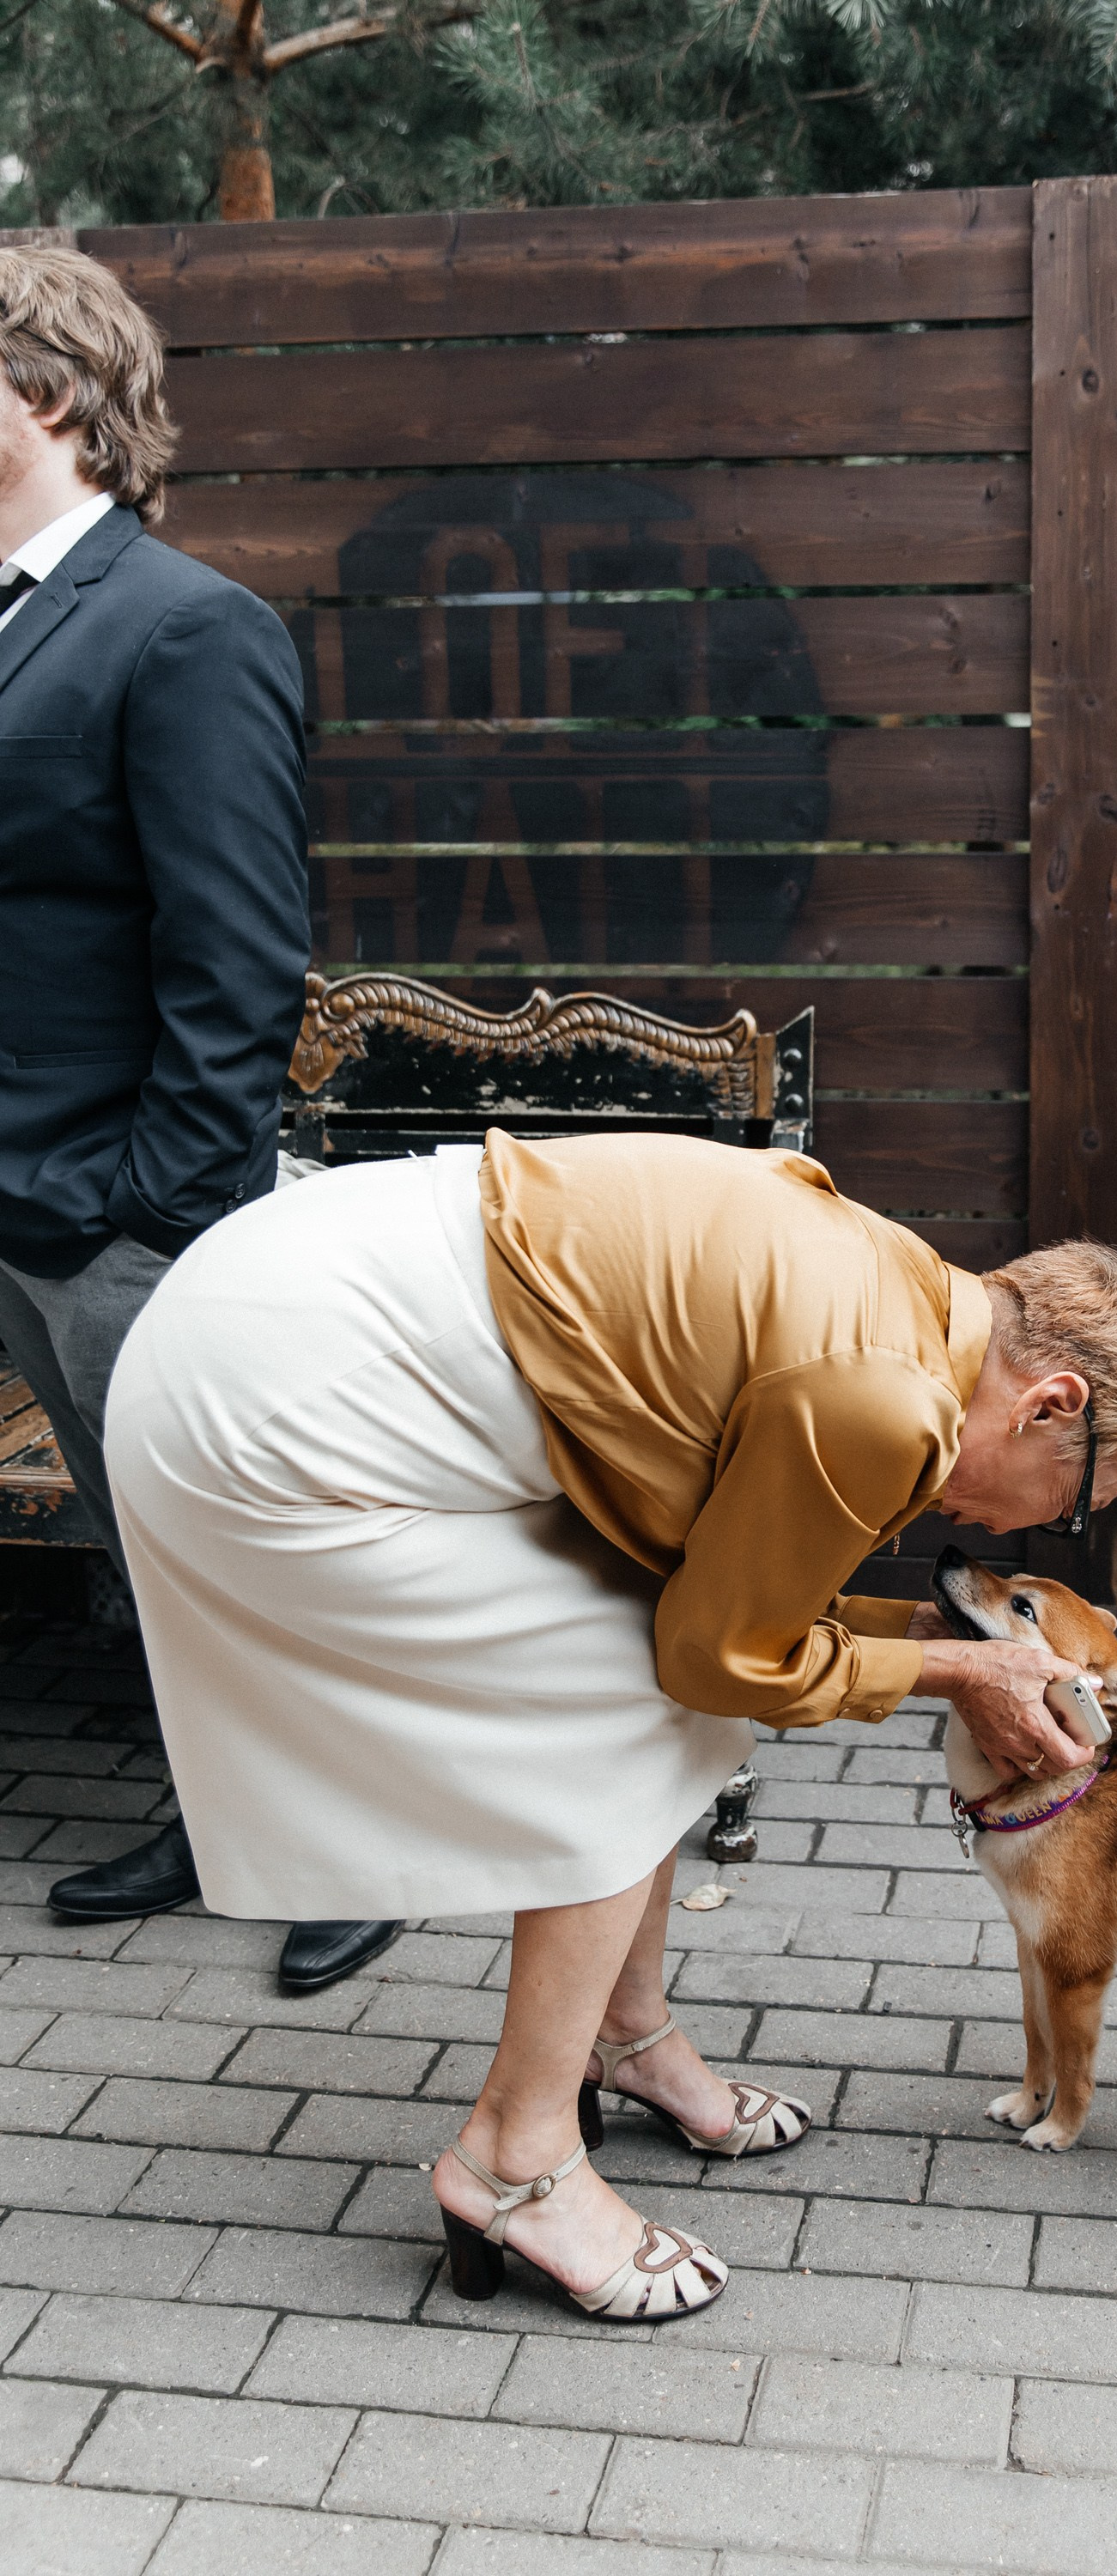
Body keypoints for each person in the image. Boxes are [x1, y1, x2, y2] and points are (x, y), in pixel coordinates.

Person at [105, 1129, 1117, 2319]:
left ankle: (626, 2035)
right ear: (1053, 1403)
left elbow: (727, 1599)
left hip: (270, 1297)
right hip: (270, 1403)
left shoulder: (905, 1293)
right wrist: (955, 1671)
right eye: (1076, 1503)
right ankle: (517, 2162)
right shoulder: (884, 1401)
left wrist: (949, 1650)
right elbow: (720, 1657)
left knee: (648, 1685)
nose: (1032, 1530)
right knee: (627, 1715)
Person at [0, 243, 399, 1993]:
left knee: (244, 1546)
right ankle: (223, 1815)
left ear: (49, 395)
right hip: (20, 1202)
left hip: (116, 1214)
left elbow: (236, 958)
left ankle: (361, 1846)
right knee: (149, 1553)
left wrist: (149, 1205)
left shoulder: (185, 628)